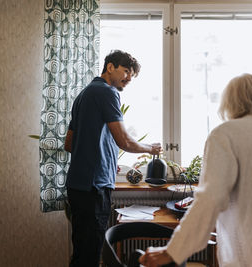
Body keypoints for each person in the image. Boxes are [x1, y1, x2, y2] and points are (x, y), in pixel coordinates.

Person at [139, 73, 252, 267]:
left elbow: (211, 198)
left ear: (229, 102)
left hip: (247, 250)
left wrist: (173, 251)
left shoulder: (225, 134)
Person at [64, 50, 162, 267]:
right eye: (125, 71)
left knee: (81, 252)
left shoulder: (84, 94)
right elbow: (125, 141)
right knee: (91, 255)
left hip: (78, 187)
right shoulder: (107, 92)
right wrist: (151, 149)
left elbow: (70, 144)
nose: (128, 78)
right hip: (94, 187)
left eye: (131, 75)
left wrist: (105, 157)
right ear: (110, 67)